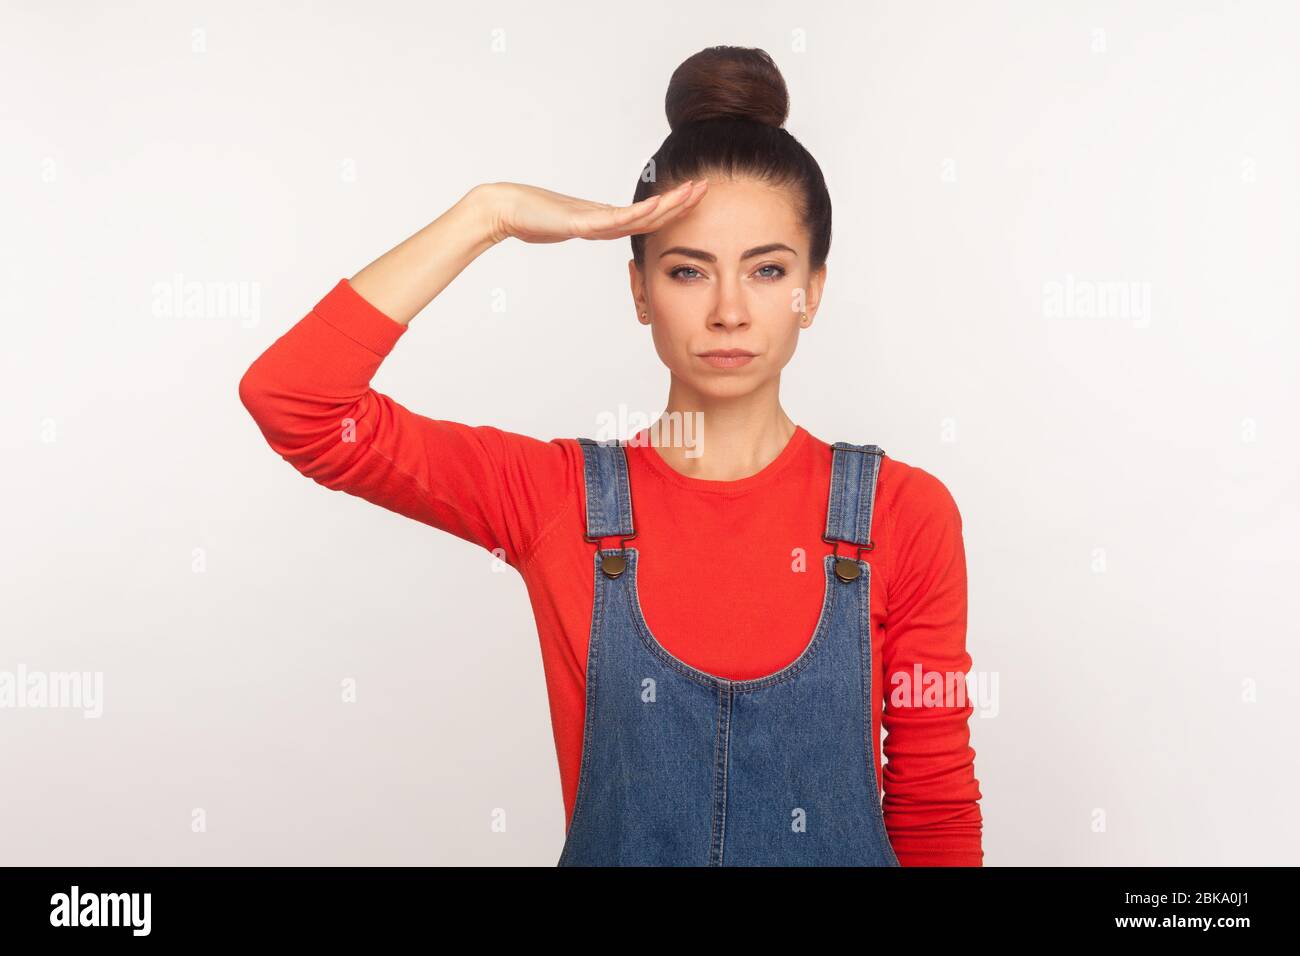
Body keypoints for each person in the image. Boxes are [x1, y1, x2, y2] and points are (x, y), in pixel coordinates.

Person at [239, 45, 983, 866]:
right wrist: (487, 214)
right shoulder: (553, 499)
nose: (729, 311)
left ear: (813, 290)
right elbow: (297, 405)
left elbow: (935, 804)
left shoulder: (903, 514)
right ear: (640, 291)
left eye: (767, 270)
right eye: (688, 271)